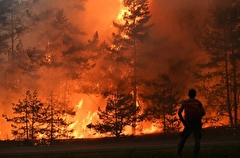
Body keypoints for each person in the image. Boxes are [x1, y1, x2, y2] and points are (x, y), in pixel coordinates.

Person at [177, 88, 206, 158]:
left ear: (188, 95)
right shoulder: (198, 102)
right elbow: (204, 113)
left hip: (188, 124)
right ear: (195, 95)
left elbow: (179, 113)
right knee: (197, 139)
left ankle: (179, 153)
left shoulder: (185, 102)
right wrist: (199, 117)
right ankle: (196, 154)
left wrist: (183, 122)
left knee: (183, 138)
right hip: (197, 124)